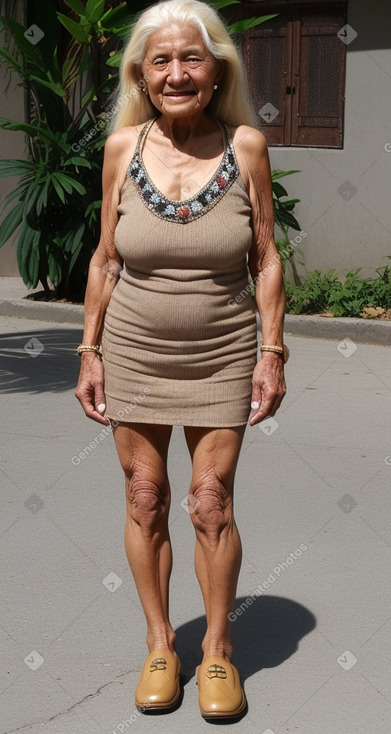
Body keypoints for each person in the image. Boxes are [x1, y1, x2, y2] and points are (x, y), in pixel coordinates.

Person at [75, 0, 287, 719]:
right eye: (160, 60)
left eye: (190, 59)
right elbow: (105, 260)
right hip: (133, 347)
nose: (176, 73)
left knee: (209, 503)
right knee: (144, 497)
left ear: (215, 66)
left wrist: (272, 352)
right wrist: (89, 349)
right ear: (140, 71)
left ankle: (219, 651)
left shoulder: (246, 147)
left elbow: (264, 258)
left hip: (222, 349)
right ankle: (161, 642)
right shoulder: (122, 149)